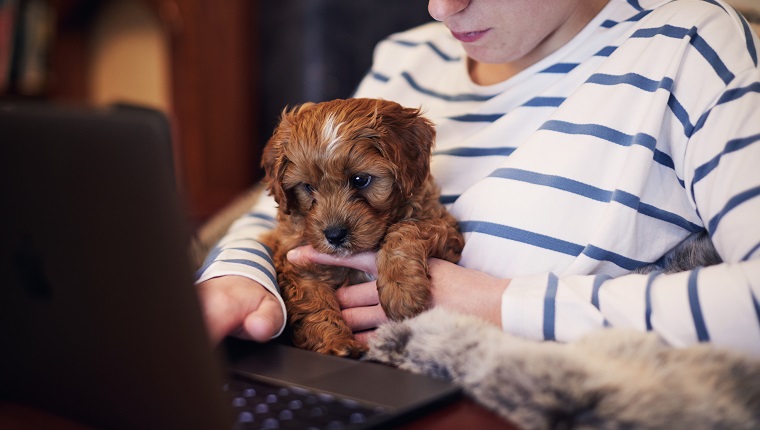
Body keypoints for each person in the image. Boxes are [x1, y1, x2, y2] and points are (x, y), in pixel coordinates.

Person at [195, 0, 760, 355]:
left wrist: (501, 306)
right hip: (337, 386)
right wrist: (243, 278)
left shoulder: (688, 47)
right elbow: (277, 213)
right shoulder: (406, 56)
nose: (442, 9)